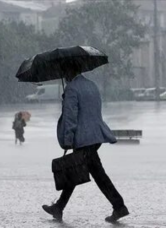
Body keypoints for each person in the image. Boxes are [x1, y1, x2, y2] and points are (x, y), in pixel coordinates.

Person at [42, 71, 129, 223]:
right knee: (76, 170)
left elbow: (70, 117)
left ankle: (119, 206)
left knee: (95, 175)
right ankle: (59, 207)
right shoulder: (91, 85)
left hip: (83, 138)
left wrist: (68, 139)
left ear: (69, 73)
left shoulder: (72, 89)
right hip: (95, 136)